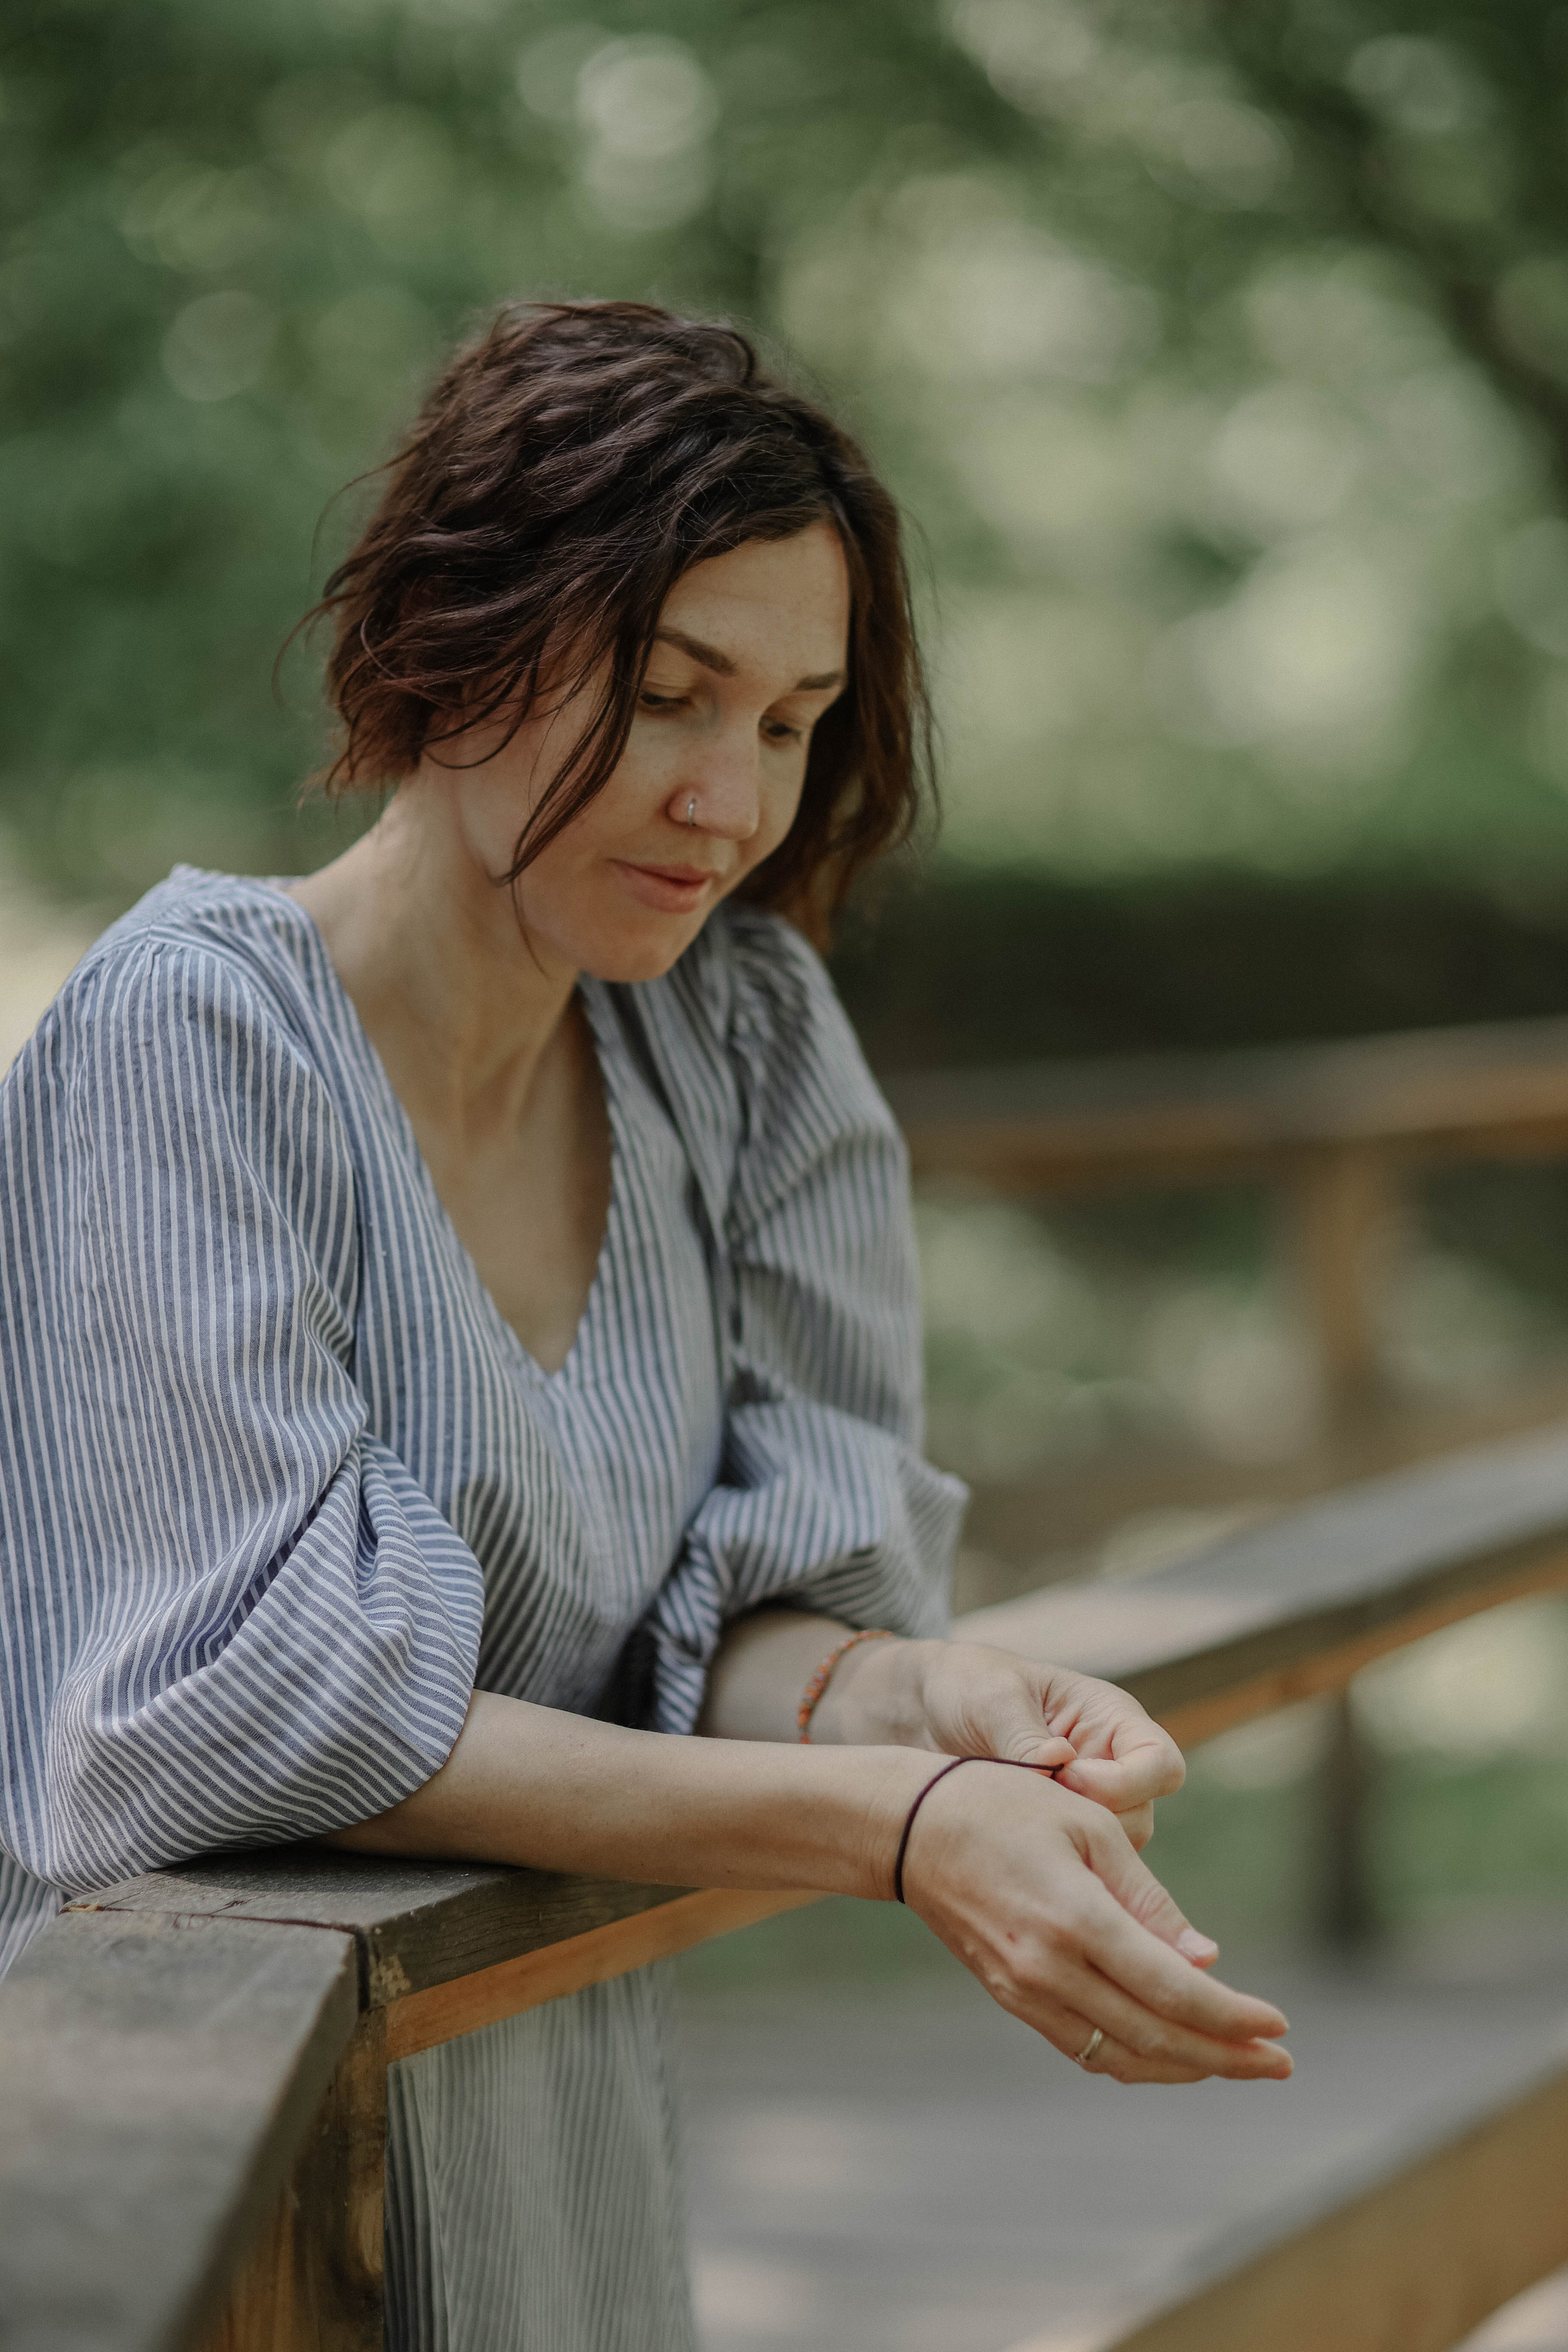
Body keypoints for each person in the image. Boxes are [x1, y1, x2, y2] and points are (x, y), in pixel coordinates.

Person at [0, 300, 1289, 2350]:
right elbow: (249, 1702)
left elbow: (750, 1619)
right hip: (191, 2163)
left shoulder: (744, 1033)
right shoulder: (199, 1037)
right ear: (458, 633)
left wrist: (918, 1706)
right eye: (672, 691)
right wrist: (898, 1826)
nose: (727, 798)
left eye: (788, 721)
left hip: (556, 2103)